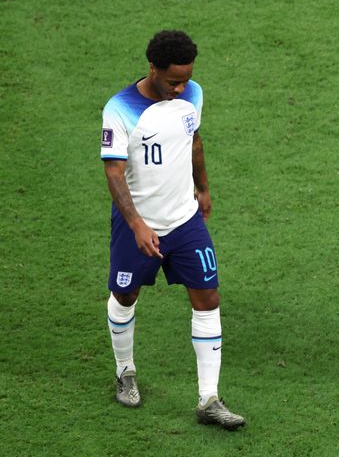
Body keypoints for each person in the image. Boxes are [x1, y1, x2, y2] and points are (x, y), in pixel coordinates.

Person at [100, 30, 245, 430]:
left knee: (208, 296)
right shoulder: (120, 108)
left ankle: (209, 399)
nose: (180, 88)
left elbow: (193, 140)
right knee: (125, 294)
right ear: (153, 69)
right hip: (138, 226)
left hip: (185, 222)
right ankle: (125, 370)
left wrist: (203, 187)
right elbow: (113, 172)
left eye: (186, 79)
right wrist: (136, 224)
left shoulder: (192, 94)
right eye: (172, 81)